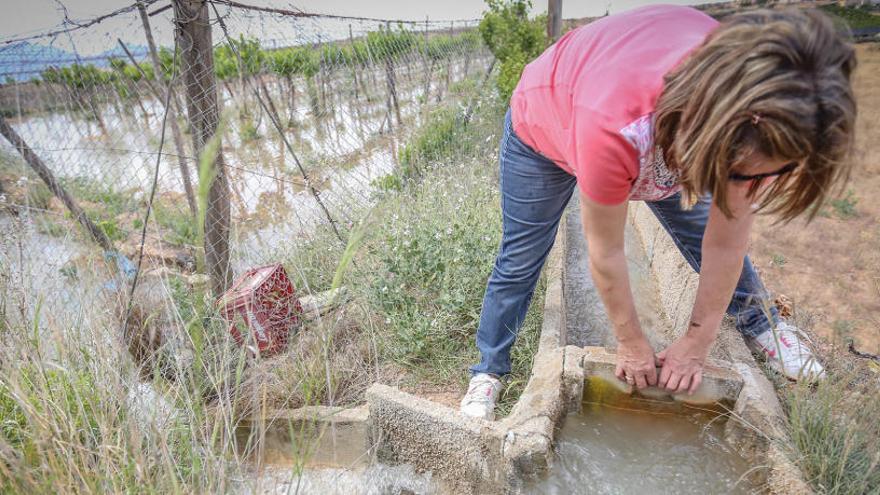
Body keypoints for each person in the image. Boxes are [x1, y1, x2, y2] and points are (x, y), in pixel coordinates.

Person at [460, 5, 857, 421]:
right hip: (544, 128)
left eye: (756, 176)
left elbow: (725, 243)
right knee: (521, 257)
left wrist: (697, 344)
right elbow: (606, 252)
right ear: (705, 138)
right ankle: (488, 370)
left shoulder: (758, 105)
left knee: (704, 227)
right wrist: (630, 342)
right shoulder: (616, 126)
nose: (746, 187)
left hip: (666, 131)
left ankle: (763, 325)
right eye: (738, 175)